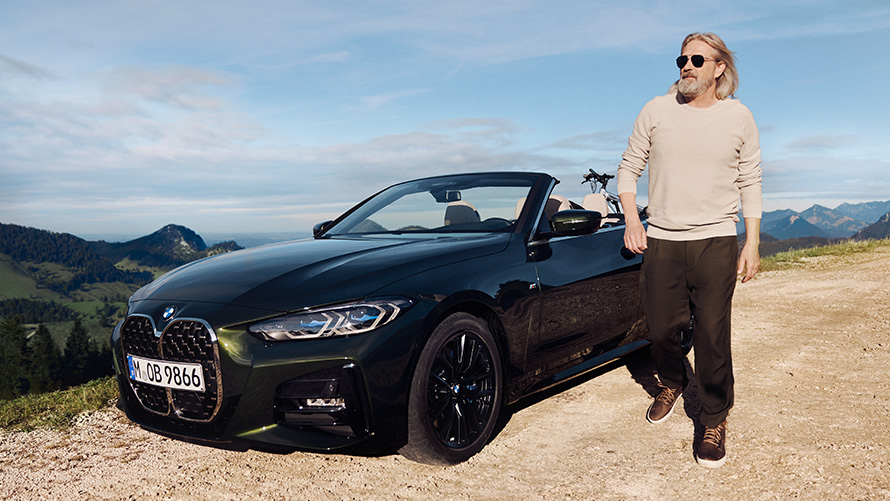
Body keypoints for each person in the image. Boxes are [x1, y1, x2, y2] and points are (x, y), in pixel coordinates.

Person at [616, 32, 762, 468]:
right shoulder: (655, 110)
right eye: (682, 58)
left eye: (698, 59)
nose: (687, 65)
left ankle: (714, 417)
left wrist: (752, 241)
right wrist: (631, 219)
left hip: (716, 239)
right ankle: (673, 381)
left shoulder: (739, 117)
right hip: (662, 238)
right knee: (661, 329)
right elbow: (628, 168)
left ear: (719, 67)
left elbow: (750, 181)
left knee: (713, 335)